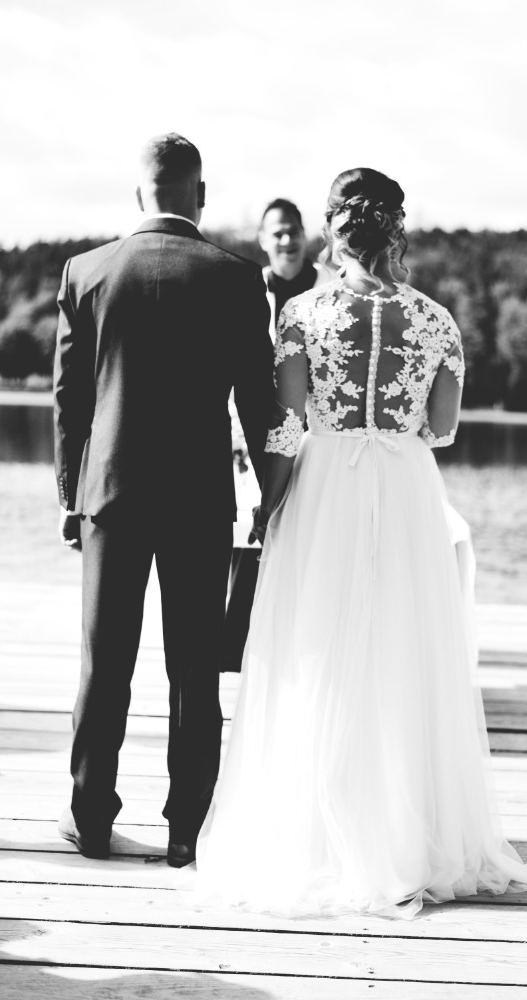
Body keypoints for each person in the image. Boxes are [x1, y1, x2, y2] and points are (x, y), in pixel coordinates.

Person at [191, 168, 527, 917]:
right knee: (402, 647)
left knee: (316, 645)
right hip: (406, 489)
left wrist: (270, 506)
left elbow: (287, 427)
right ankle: (409, 836)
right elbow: (442, 428)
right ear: (396, 230)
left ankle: (320, 832)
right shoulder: (437, 320)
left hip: (326, 488)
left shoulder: (302, 315)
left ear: (332, 230)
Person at [53, 132, 274, 868]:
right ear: (199, 195)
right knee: (195, 669)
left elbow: (69, 402)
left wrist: (69, 496)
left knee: (103, 662)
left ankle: (90, 819)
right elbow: (258, 404)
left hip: (110, 497)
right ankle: (188, 829)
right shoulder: (237, 278)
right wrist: (273, 497)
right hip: (200, 500)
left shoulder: (87, 271)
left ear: (139, 194)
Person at [222, 199, 330, 672]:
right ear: (263, 240)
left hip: (316, 432)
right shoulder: (248, 287)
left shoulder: (330, 287)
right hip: (251, 429)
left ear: (305, 235)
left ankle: (299, 642)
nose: (287, 240)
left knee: (304, 534)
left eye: (293, 231)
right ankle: (237, 648)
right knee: (249, 532)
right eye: (277, 233)